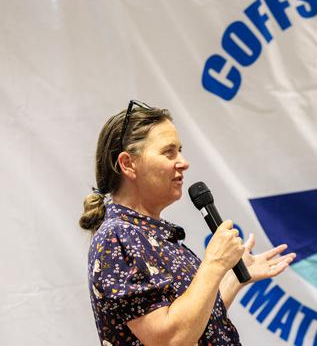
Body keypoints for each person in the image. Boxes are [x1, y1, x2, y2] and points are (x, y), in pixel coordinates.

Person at [79, 100, 296, 345]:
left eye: (179, 150)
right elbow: (170, 339)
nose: (183, 162)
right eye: (168, 152)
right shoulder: (118, 236)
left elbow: (194, 325)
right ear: (128, 164)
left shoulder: (148, 235)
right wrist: (214, 263)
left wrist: (234, 278)